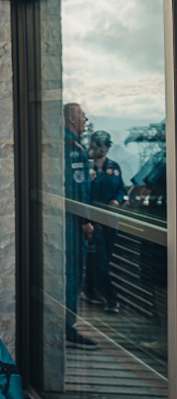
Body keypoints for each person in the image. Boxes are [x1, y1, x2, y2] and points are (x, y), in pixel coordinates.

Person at [63, 103, 98, 349]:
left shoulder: (64, 143)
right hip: (72, 223)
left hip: (64, 221)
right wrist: (86, 220)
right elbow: (77, 188)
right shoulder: (72, 147)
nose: (86, 119)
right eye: (82, 116)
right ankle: (67, 328)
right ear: (73, 120)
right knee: (73, 274)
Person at [85, 130, 126, 314]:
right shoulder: (85, 166)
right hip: (93, 221)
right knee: (99, 259)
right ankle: (111, 299)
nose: (104, 149)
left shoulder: (114, 166)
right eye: (100, 145)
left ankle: (89, 289)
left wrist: (117, 200)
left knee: (104, 259)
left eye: (107, 145)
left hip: (110, 221)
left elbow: (120, 189)